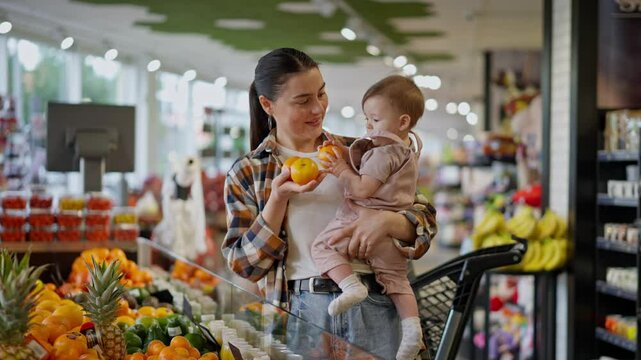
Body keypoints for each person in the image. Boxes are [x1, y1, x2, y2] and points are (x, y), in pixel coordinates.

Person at [222, 48, 437, 359]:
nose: (318, 108)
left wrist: (388, 223)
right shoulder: (249, 171)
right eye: (303, 100)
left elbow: (425, 220)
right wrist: (279, 199)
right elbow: (244, 265)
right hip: (302, 313)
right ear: (268, 105)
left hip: (375, 304)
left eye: (321, 94)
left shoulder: (359, 152)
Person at [311, 75, 426, 359]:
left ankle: (350, 285)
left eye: (374, 120)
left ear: (402, 122)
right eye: (367, 120)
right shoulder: (408, 152)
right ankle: (412, 331)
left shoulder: (382, 151)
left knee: (322, 246)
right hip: (390, 241)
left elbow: (363, 186)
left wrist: (340, 169)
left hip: (360, 223)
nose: (368, 126)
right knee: (398, 281)